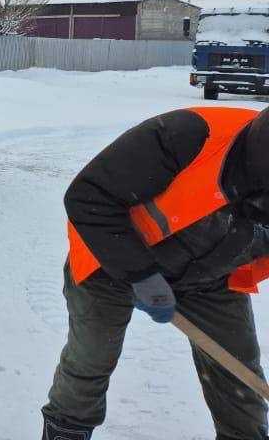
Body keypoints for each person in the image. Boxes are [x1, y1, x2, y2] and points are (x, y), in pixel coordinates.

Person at [43, 105, 269, 440]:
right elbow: (87, 197)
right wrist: (140, 274)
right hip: (110, 259)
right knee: (90, 363)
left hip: (210, 275)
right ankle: (65, 431)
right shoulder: (191, 135)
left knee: (239, 380)